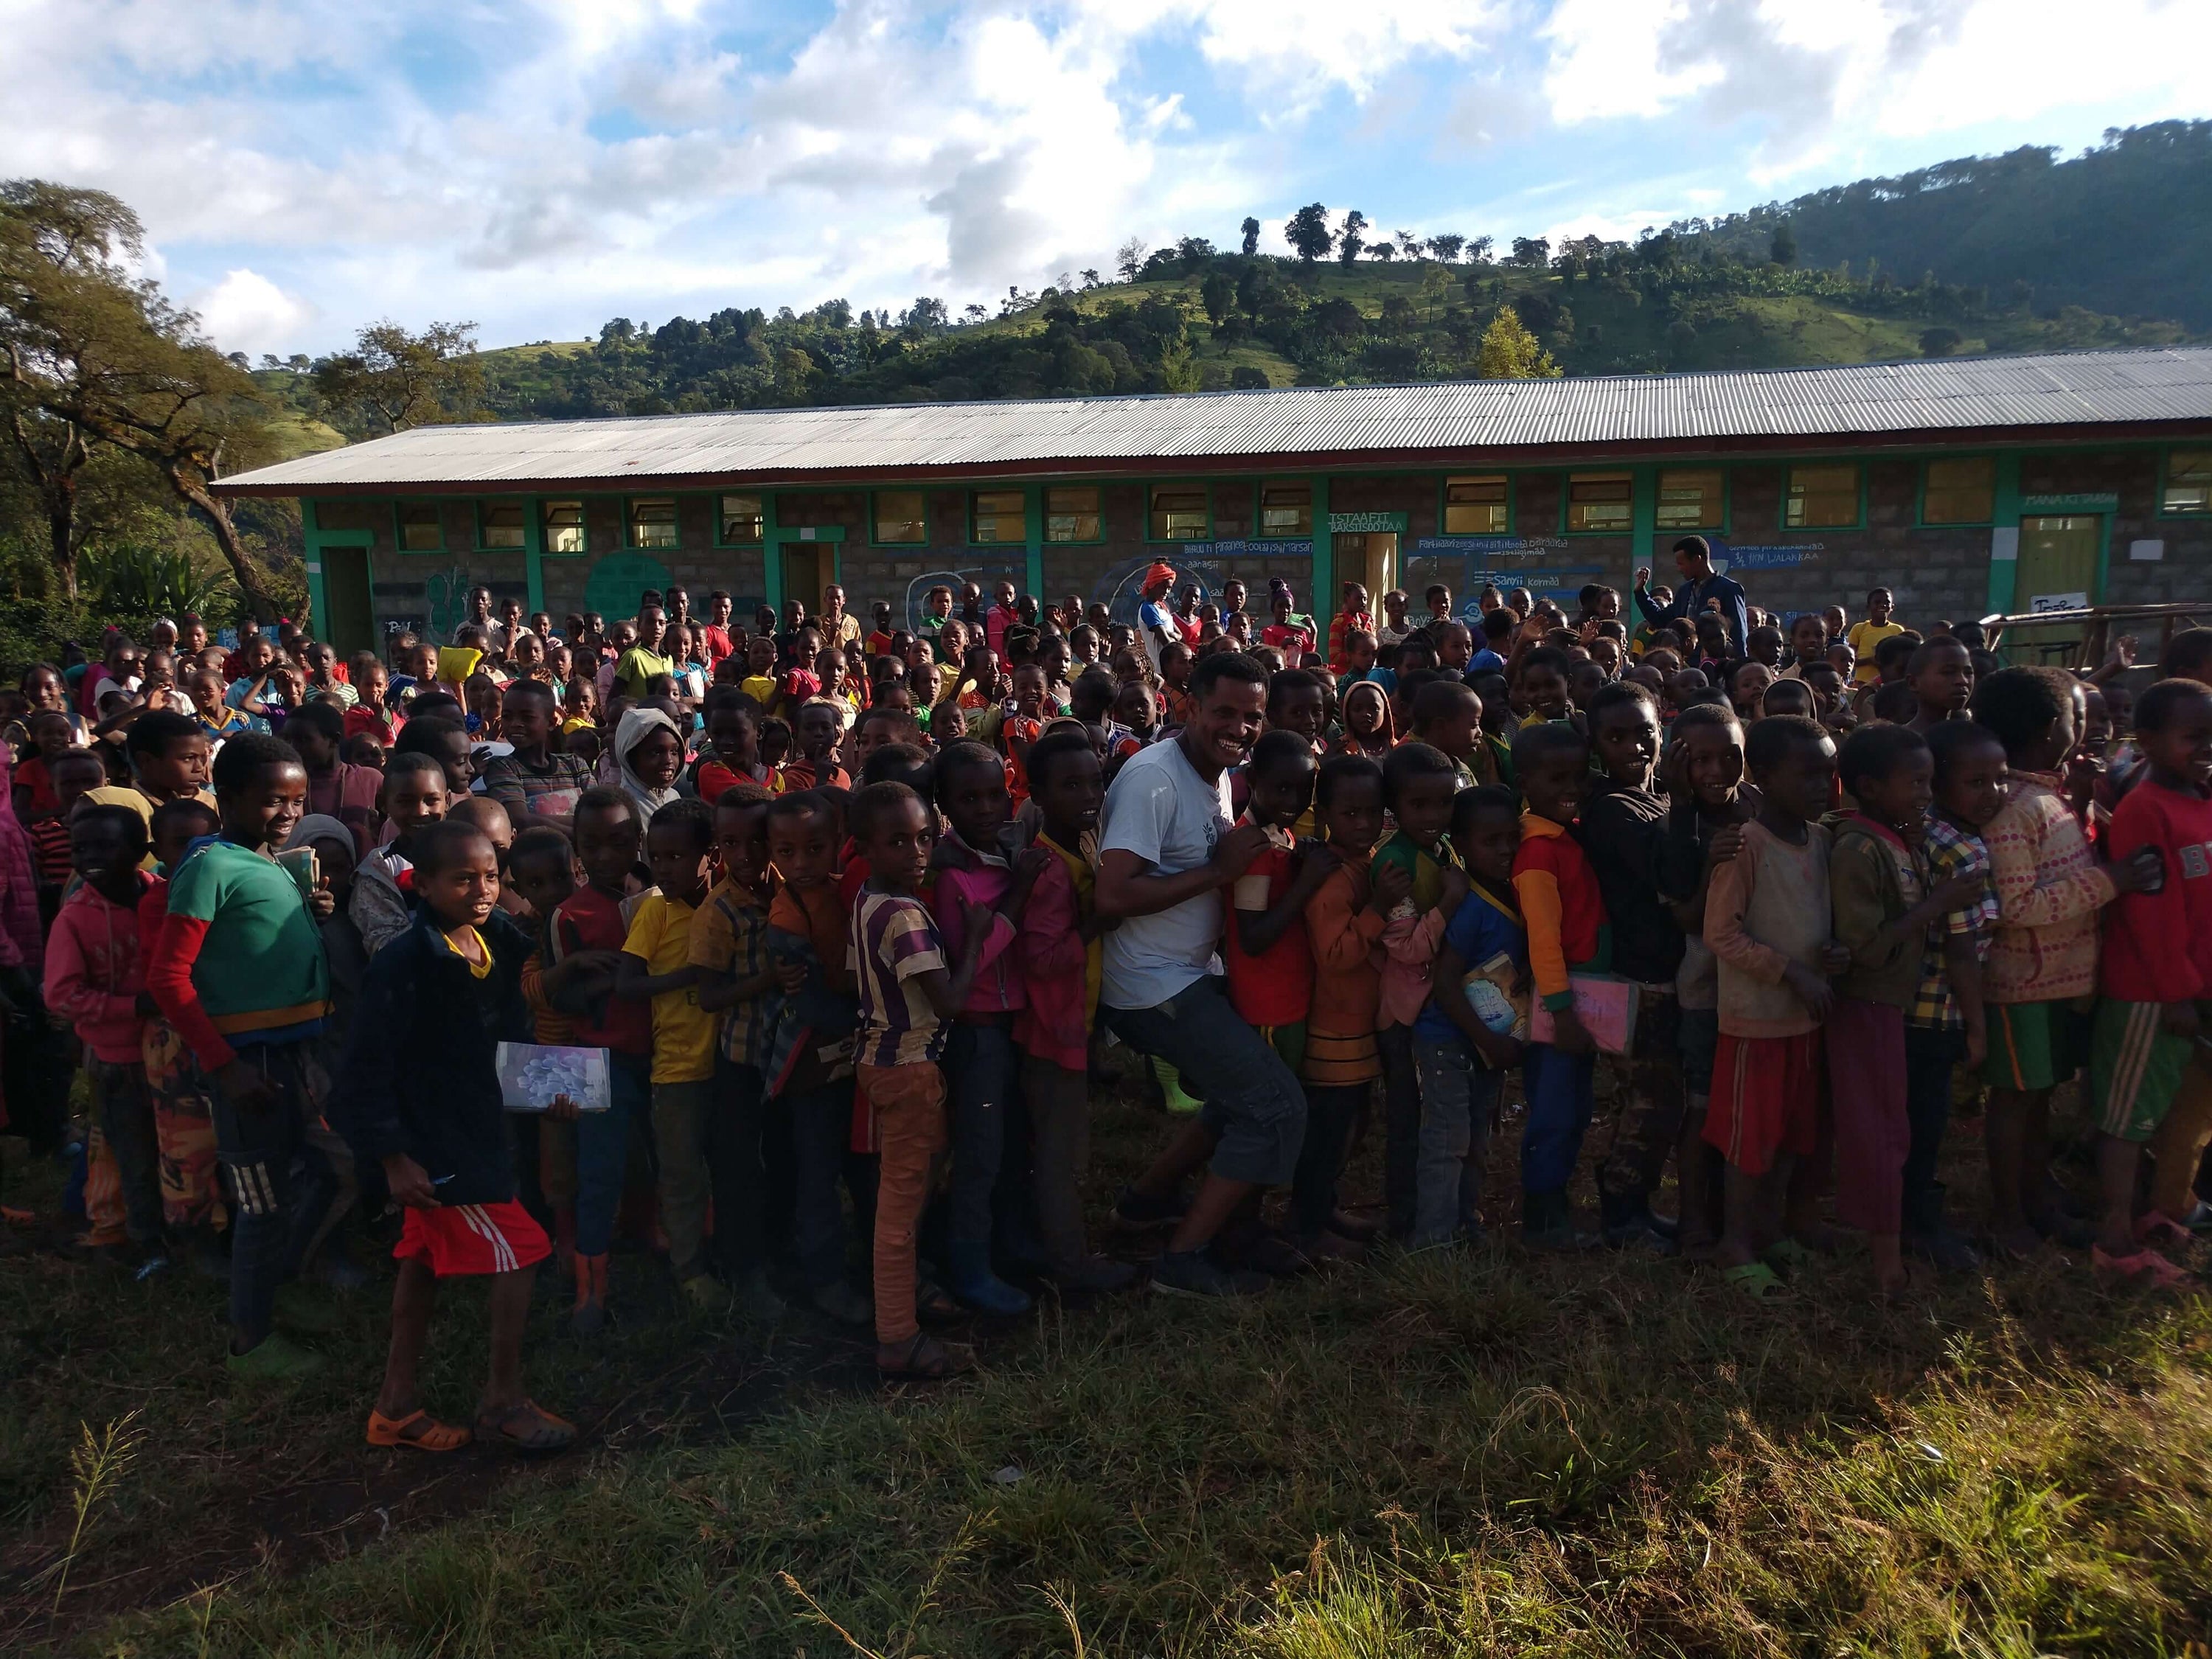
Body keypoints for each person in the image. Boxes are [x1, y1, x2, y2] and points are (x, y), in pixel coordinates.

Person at [331, 817, 575, 1453]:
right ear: (424, 885)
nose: (482, 890)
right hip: (435, 1147)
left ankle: (395, 1407)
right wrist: (392, 1159)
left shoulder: (495, 943)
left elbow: (507, 1041)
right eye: (462, 879)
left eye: (491, 876)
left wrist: (548, 1088)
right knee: (524, 1248)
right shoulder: (406, 963)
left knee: (421, 1265)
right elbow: (364, 1068)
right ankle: (503, 1402)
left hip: (475, 1127)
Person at [1096, 651, 1304, 1298]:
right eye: (1223, 713)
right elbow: (1112, 896)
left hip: (1187, 972)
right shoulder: (1152, 779)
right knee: (1274, 1108)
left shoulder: (1215, 773)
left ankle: (1146, 1202)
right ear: (1187, 705)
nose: (1238, 728)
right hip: (1150, 987)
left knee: (1235, 1097)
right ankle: (1184, 1259)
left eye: (1251, 717)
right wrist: (1218, 872)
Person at [144, 734, 346, 1379]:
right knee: (260, 1202)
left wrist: (308, 910)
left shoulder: (267, 861)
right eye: (270, 801)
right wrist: (223, 1067)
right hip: (248, 1060)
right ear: (226, 799)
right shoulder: (210, 867)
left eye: (296, 799)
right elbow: (169, 978)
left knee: (330, 1167)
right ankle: (250, 1339)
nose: (287, 812)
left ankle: (275, 1289)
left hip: (295, 1052)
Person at [1972, 667, 2158, 1258]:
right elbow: (2015, 905)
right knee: (2015, 1099)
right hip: (2019, 980)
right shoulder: (2013, 807)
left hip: (2054, 978)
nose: (2088, 730)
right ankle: (2008, 1216)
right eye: (2080, 718)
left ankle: (2038, 1195)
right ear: (2055, 728)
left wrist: (2082, 804)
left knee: (2039, 1095)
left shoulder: (2047, 793)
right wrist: (2111, 880)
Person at [1828, 725, 1983, 1295]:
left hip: (1891, 1007)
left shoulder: (1894, 837)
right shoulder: (1858, 847)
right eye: (1914, 781)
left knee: (1894, 1127)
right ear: (1868, 786)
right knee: (1881, 1132)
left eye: (1929, 780)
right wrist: (1940, 902)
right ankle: (1888, 1265)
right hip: (1868, 1007)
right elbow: (1867, 947)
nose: (1927, 791)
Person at [846, 781, 992, 1377]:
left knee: (909, 1191)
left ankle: (904, 1305)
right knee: (899, 1215)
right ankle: (897, 1338)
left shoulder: (868, 899)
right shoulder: (903, 915)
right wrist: (979, 939)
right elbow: (951, 1001)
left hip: (885, 1061)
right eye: (899, 841)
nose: (917, 852)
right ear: (865, 847)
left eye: (924, 837)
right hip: (908, 1067)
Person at [1702, 716, 1848, 1299]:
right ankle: (1734, 1243)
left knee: (1791, 1134)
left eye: (1830, 773)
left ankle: (1770, 1231)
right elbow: (1721, 934)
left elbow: (1812, 917)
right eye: (1807, 773)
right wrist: (1791, 971)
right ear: (1763, 778)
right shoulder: (1745, 847)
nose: (1822, 785)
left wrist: (1830, 955)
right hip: (1755, 1022)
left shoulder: (1822, 841)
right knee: (1749, 1140)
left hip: (1804, 1021)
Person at [2086, 678, 2212, 1282]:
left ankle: (2152, 1214)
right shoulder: (2146, 808)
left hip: (2193, 991)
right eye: (2194, 737)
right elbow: (2149, 914)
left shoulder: (2202, 799)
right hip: (2150, 995)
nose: (2207, 747)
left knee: (2168, 1110)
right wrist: (2176, 991)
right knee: (2126, 1116)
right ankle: (2112, 1238)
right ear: (2148, 742)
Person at [1013, 730, 1138, 1290]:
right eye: (1071, 785)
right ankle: (1070, 1267)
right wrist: (1095, 922)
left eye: (1096, 781)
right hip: (1049, 1034)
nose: (1089, 795)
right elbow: (1041, 958)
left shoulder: (1084, 845)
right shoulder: (1047, 869)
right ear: (1038, 794)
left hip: (1071, 1026)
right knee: (1061, 1156)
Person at [928, 741, 1042, 1315]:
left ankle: (1010, 1242)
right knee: (979, 1152)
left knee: (1013, 1140)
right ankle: (969, 1266)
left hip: (1013, 1022)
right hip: (975, 1030)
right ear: (944, 805)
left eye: (995, 794)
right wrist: (1018, 897)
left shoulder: (1008, 845)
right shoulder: (951, 874)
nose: (985, 808)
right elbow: (977, 953)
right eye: (968, 799)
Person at [1576, 682, 1686, 1251]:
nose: (1635, 747)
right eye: (1616, 737)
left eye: (1644, 732)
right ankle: (1621, 1212)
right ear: (1597, 744)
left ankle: (1635, 1203)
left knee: (1660, 1098)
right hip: (1636, 976)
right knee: (1649, 1100)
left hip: (1661, 970)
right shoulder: (1614, 809)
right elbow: (1668, 871)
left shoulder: (1655, 796)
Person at [540, 787, 651, 1334]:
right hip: (598, 1061)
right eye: (593, 846)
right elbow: (562, 1001)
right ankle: (591, 1289)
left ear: (638, 841)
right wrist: (601, 976)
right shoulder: (570, 916)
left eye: (620, 842)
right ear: (578, 851)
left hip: (663, 1055)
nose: (608, 856)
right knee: (598, 1171)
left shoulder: (660, 896)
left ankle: (671, 1248)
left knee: (666, 1158)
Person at [616, 798, 726, 1310]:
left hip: (729, 1064)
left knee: (730, 1168)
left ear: (711, 855)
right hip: (677, 1069)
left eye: (678, 856)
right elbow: (628, 984)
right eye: (656, 857)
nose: (664, 868)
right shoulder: (655, 913)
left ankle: (733, 1251)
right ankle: (688, 1266)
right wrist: (694, 976)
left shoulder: (727, 904)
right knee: (681, 1174)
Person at [1411, 786, 1526, 1248]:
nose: (1504, 851)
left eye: (1510, 839)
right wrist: (1487, 1038)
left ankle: (1464, 1221)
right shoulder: (1470, 905)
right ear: (1461, 843)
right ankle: (1433, 1241)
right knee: (1448, 1140)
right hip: (1450, 1039)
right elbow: (1444, 982)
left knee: (1478, 1137)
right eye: (1489, 842)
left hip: (1486, 1042)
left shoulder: (1514, 891)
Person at [1909, 720, 2006, 1268]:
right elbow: (1963, 953)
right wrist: (1977, 1026)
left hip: (1904, 1003)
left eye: (2000, 779)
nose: (1992, 793)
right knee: (1927, 1122)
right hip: (1939, 1010)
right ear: (1939, 783)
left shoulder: (1921, 830)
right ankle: (1920, 1224)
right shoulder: (1965, 851)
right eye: (1977, 782)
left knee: (1912, 1118)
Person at [45, 804, 159, 1268]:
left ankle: (177, 1226)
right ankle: (143, 1240)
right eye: (80, 848)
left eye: (105, 846)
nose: (89, 857)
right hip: (115, 1059)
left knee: (172, 1147)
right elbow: (60, 994)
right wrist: (131, 1008)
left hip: (172, 1052)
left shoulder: (164, 898)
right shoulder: (75, 918)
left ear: (139, 852)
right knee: (129, 1150)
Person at [1510, 721, 1605, 1249]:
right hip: (1558, 1009)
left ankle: (1557, 1206)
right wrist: (1562, 1011)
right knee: (1554, 1110)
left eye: (1578, 776)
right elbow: (1544, 941)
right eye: (1556, 779)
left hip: (1576, 1000)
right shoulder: (1538, 852)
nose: (1572, 788)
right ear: (1526, 781)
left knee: (1574, 1107)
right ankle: (1543, 1219)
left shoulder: (1563, 836)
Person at [1295, 754, 1391, 1256]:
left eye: (1372, 813)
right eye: (1349, 814)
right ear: (1325, 813)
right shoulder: (1334, 877)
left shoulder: (1367, 861)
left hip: (1355, 1023)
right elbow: (1336, 956)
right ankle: (1309, 1228)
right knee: (1329, 1131)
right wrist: (1377, 912)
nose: (1362, 824)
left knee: (1352, 1122)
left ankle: (1324, 1208)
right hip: (1334, 1029)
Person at [1372, 742, 1467, 1237]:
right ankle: (1404, 1218)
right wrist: (1450, 904)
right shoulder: (1395, 865)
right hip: (1404, 1016)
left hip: (1436, 1011)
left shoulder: (1440, 849)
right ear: (1395, 806)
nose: (1434, 815)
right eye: (1420, 805)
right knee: (1409, 1118)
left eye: (1444, 803)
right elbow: (1407, 949)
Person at [479, 680, 593, 829]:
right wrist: (583, 831)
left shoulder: (575, 765)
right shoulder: (501, 767)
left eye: (527, 718)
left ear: (551, 722)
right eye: (507, 716)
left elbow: (599, 813)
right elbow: (520, 820)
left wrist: (536, 819)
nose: (515, 724)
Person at [1632, 535, 1750, 658]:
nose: (1679, 569)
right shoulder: (1685, 591)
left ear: (1697, 559)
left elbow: (1739, 634)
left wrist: (1739, 666)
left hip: (1717, 666)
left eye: (1682, 564)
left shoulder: (1729, 589)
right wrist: (1640, 592)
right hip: (1688, 666)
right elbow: (1661, 619)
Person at [1904, 637, 1975, 735]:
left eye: (1968, 672)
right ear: (1913, 683)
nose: (1962, 680)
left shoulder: (1974, 740)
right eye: (1948, 672)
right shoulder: (1898, 744)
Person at [1846, 588, 1905, 686]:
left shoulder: (1898, 630)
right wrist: (1870, 661)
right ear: (1868, 607)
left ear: (1892, 607)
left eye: (1887, 602)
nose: (1883, 605)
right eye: (1877, 602)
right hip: (1862, 684)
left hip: (1889, 684)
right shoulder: (1859, 629)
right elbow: (1849, 660)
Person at [1135, 563, 1181, 674]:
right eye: (1163, 587)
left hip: (1170, 670)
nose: (1166, 591)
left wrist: (1171, 634)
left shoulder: (1162, 607)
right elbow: (1167, 642)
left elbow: (1179, 635)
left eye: (1169, 588)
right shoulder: (1149, 609)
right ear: (1152, 585)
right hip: (1160, 671)